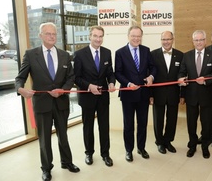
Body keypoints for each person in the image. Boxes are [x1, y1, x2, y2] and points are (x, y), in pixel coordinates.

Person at [15, 22, 80, 181]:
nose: (52, 36)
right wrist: (20, 89)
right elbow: (20, 78)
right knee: (44, 139)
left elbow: (71, 77)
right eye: (48, 34)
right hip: (42, 104)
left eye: (54, 34)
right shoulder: (30, 54)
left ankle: (67, 162)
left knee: (63, 135)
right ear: (40, 36)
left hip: (61, 103)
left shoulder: (65, 55)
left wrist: (63, 90)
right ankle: (46, 168)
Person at [73, 26, 116, 167]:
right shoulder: (79, 54)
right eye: (95, 36)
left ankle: (105, 154)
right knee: (88, 127)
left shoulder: (107, 53)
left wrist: (111, 83)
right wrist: (88, 86)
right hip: (87, 97)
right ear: (89, 37)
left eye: (101, 36)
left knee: (104, 126)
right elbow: (76, 78)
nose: (98, 39)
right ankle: (89, 153)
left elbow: (110, 72)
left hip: (103, 96)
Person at [115, 25, 157, 162]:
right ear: (128, 36)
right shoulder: (120, 52)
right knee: (128, 125)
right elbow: (118, 73)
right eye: (133, 36)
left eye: (139, 36)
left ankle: (141, 147)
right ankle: (129, 150)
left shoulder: (146, 50)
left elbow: (153, 68)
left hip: (143, 94)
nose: (136, 38)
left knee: (142, 123)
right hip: (128, 94)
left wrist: (151, 77)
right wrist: (128, 84)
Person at [178, 30, 212, 159]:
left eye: (201, 40)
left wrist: (206, 79)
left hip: (207, 95)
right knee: (191, 123)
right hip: (191, 96)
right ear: (193, 41)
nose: (199, 42)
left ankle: (205, 146)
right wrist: (181, 80)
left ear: (205, 41)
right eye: (196, 40)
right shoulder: (187, 55)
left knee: (206, 123)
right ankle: (192, 145)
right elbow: (181, 72)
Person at [150, 31, 184, 154]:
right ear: (161, 40)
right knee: (158, 119)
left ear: (173, 39)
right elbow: (150, 76)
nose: (166, 42)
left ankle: (168, 141)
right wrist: (150, 95)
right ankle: (159, 142)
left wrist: (182, 95)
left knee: (172, 119)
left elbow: (182, 75)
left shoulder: (180, 55)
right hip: (157, 94)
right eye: (164, 39)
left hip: (173, 94)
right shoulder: (153, 55)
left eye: (168, 39)